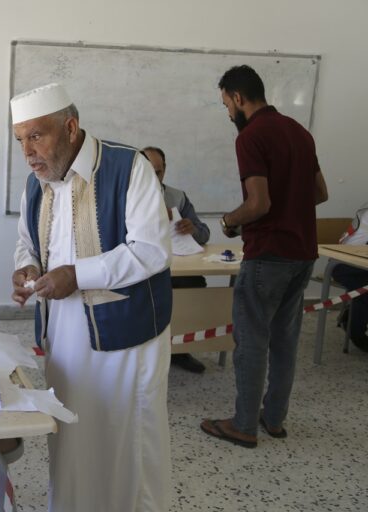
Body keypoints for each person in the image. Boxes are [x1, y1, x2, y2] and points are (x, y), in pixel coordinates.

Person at [10, 83, 172, 511]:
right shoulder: (35, 183)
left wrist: (76, 275)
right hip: (63, 336)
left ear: (70, 126)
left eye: (36, 136)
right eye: (20, 140)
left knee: (127, 436)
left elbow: (151, 250)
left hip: (126, 337)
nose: (28, 152)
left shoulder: (127, 167)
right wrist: (26, 268)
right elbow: (27, 243)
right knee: (72, 435)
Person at [201, 65, 328, 448]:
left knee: (252, 341)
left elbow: (258, 203)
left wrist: (228, 220)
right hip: (303, 253)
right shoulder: (299, 132)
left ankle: (243, 425)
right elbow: (320, 192)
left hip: (268, 256)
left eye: (226, 104)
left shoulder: (251, 136)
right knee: (285, 341)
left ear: (238, 98)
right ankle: (274, 419)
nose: (227, 113)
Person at [143, 146, 210, 374]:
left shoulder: (177, 196)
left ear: (165, 171)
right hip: (143, 267)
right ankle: (147, 352)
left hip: (177, 265)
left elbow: (204, 233)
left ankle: (181, 349)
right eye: (149, 171)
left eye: (159, 172)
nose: (154, 177)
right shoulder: (125, 195)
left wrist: (192, 229)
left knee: (194, 284)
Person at [333, 202, 368, 350]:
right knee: (364, 292)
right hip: (345, 264)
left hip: (361, 264)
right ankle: (356, 332)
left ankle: (351, 316)